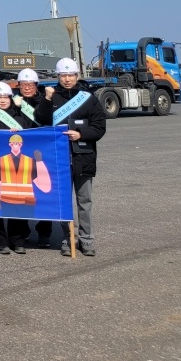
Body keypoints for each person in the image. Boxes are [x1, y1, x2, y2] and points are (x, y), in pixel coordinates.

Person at [37, 57, 107, 257]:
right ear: (57, 77)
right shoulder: (53, 97)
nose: (67, 79)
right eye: (63, 75)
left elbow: (100, 127)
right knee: (63, 203)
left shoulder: (88, 98)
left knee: (84, 202)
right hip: (59, 160)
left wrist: (81, 134)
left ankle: (87, 240)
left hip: (83, 158)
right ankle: (68, 240)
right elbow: (41, 120)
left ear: (77, 76)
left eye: (70, 75)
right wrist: (47, 99)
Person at [0, 81, 39, 254]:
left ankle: (18, 241)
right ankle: (0, 242)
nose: (2, 100)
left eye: (6, 96)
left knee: (16, 204)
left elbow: (32, 130)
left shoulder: (19, 116)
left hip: (17, 168)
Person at [16, 68, 52, 247]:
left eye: (30, 84)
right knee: (21, 194)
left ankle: (44, 232)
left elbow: (46, 119)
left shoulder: (44, 101)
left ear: (36, 85)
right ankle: (22, 232)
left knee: (43, 193)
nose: (27, 87)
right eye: (24, 84)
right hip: (20, 153)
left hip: (40, 153)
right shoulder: (14, 102)